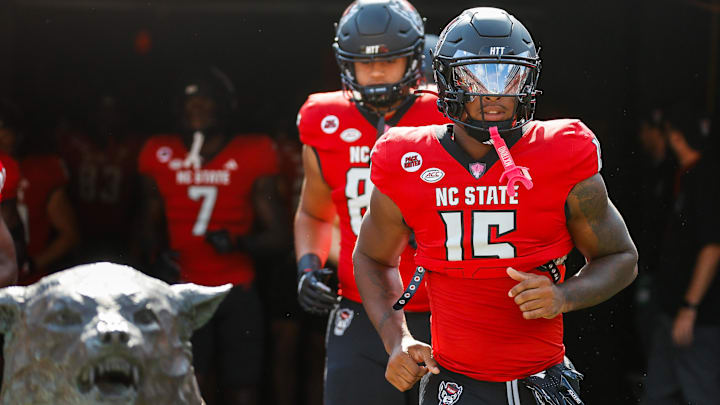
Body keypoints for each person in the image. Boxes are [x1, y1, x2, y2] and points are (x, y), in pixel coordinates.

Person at [353, 7, 638, 404]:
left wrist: (564, 296)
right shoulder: (406, 158)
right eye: (478, 76)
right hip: (452, 384)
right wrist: (396, 337)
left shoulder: (563, 150)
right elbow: (371, 256)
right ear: (447, 81)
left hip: (542, 381)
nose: (496, 93)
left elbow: (621, 257)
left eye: (510, 75)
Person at [293, 0, 449, 403]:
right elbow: (313, 210)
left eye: (390, 60)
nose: (377, 71)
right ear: (346, 63)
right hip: (360, 304)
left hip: (445, 307)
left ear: (415, 58)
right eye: (365, 63)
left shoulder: (448, 112)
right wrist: (309, 265)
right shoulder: (321, 117)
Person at [137, 66, 289, 405]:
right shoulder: (158, 152)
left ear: (224, 107)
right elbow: (146, 224)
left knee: (243, 384)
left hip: (237, 287)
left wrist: (239, 243)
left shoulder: (253, 152)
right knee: (190, 382)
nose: (197, 110)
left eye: (206, 102)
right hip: (182, 288)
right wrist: (153, 255)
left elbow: (280, 236)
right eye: (191, 103)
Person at [642, 103, 720, 405]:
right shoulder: (685, 175)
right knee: (658, 393)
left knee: (701, 393)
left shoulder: (706, 179)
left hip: (697, 318)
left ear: (676, 137)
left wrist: (690, 307)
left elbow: (712, 247)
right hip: (671, 311)